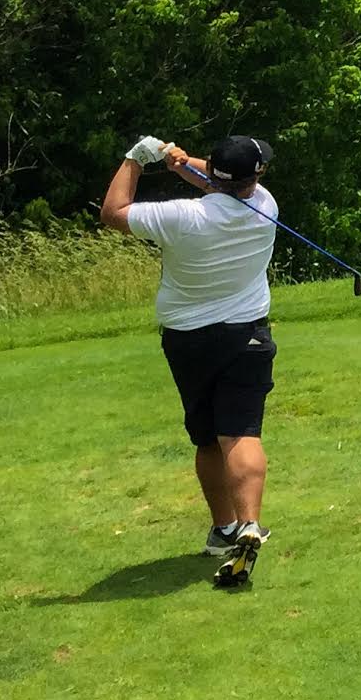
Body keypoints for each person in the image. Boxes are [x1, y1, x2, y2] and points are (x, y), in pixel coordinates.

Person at [99, 133, 279, 591]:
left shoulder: (181, 216)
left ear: (214, 173)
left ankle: (223, 529)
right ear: (254, 176)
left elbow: (113, 214)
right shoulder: (265, 205)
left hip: (189, 341)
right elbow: (226, 184)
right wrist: (181, 165)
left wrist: (137, 159)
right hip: (249, 336)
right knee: (241, 433)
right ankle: (248, 523)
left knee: (206, 439)